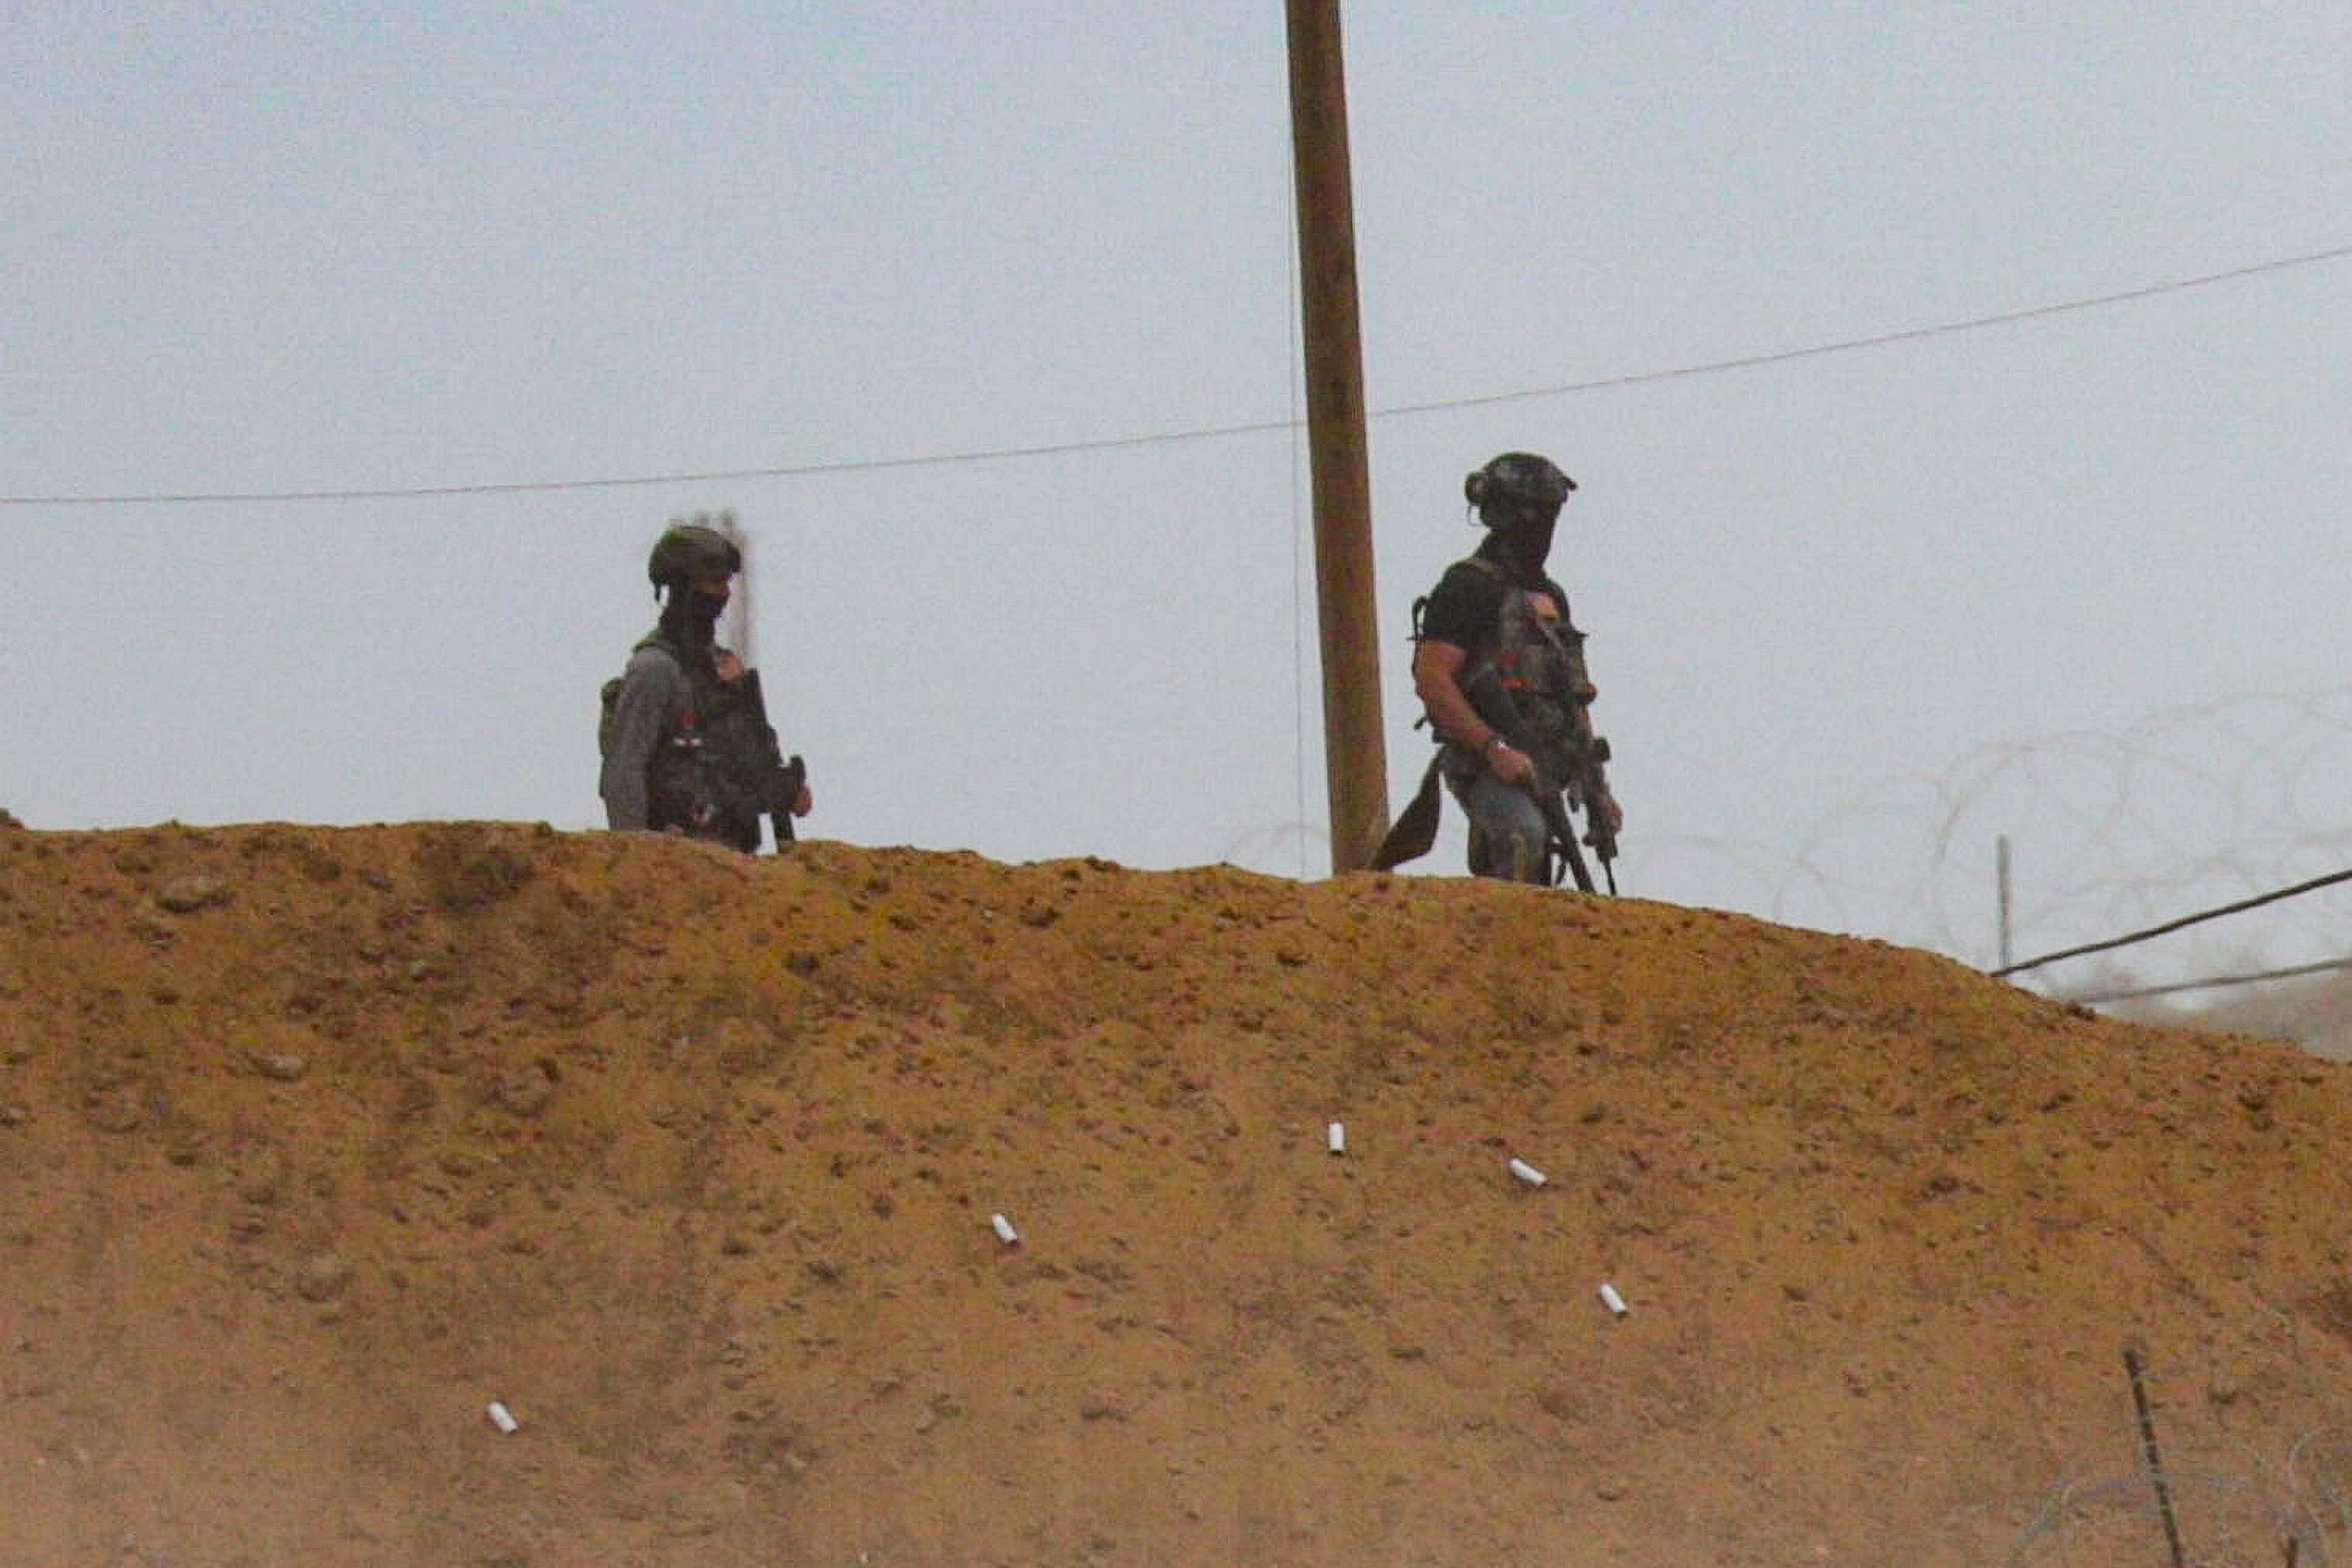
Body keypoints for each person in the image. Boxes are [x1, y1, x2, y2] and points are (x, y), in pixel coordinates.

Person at [1405, 451, 1620, 884]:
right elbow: (1433, 679)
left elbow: (1573, 696)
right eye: (1538, 513)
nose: (1545, 527)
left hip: (1550, 765)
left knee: (1547, 868)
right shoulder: (1467, 586)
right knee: (1524, 836)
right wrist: (1493, 750)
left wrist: (1596, 787)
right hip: (1486, 765)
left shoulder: (1550, 597)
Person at [599, 517, 813, 850]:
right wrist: (635, 857)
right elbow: (624, 772)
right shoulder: (655, 670)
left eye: (726, 582)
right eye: (714, 582)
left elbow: (739, 773)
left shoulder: (724, 668)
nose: (725, 594)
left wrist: (784, 790)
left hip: (732, 858)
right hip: (674, 858)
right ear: (684, 588)